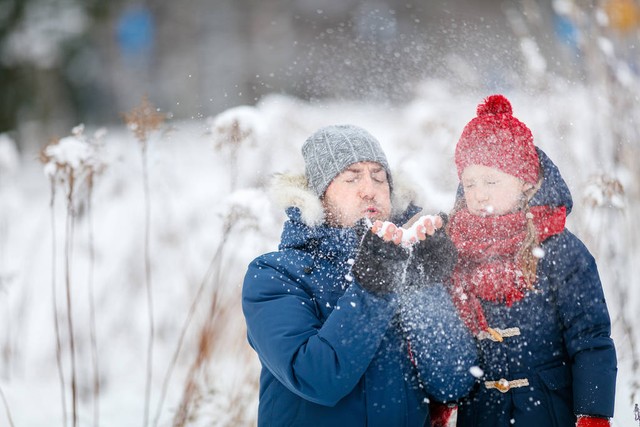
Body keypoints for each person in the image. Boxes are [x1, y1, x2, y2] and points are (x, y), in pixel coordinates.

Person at [242, 124, 477, 427]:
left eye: (379, 177)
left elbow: (453, 383)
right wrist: (372, 290)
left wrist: (423, 285)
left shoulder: (404, 266)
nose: (370, 189)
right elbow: (317, 380)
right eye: (351, 177)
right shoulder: (275, 274)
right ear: (317, 196)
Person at [440, 95, 617, 426]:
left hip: (548, 411)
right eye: (470, 182)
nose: (479, 193)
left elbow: (590, 338)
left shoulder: (559, 249)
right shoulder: (456, 249)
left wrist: (593, 412)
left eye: (491, 181)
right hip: (481, 414)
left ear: (524, 182)